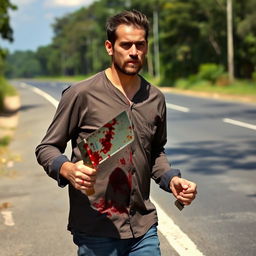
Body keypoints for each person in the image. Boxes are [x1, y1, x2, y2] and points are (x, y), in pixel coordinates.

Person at [35, 10, 197, 256]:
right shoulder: (82, 94)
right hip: (96, 228)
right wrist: (67, 169)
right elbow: (46, 148)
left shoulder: (155, 98)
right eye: (126, 45)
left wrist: (171, 179)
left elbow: (155, 152)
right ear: (110, 47)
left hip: (143, 227)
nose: (134, 52)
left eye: (140, 45)